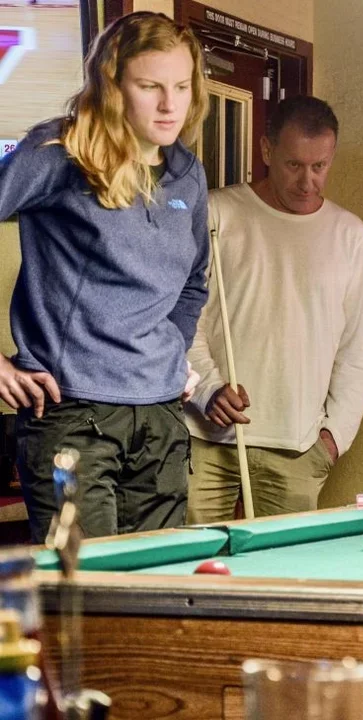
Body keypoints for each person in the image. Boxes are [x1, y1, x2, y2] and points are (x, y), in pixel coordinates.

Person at [0, 12, 209, 542]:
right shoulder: (58, 154)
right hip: (72, 417)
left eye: (182, 86)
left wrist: (168, 354)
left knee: (157, 596)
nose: (170, 104)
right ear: (112, 85)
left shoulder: (189, 172)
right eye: (150, 86)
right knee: (91, 599)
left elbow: (193, 283)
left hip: (161, 418)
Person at [185, 96, 363, 521]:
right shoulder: (216, 215)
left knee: (281, 578)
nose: (308, 181)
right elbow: (181, 324)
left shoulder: (350, 235)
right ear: (268, 151)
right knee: (192, 567)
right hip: (205, 438)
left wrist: (333, 437)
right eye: (294, 165)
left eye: (319, 166)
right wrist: (207, 388)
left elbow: (355, 350)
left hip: (297, 447)